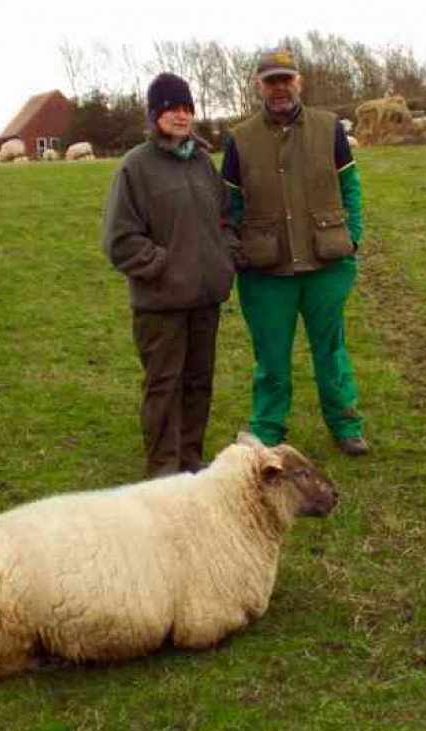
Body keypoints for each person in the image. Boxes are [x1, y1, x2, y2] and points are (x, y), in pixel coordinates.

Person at [221, 48, 370, 456]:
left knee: (331, 350)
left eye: (286, 79)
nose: (280, 87)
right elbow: (229, 206)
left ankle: (345, 423)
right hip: (265, 272)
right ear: (259, 86)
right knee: (271, 357)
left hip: (327, 264)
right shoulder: (239, 139)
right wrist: (237, 251)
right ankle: (267, 429)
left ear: (299, 81)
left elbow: (351, 188)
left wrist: (352, 236)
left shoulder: (329, 129)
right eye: (271, 80)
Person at [103, 73, 238, 478]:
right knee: (164, 387)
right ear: (155, 114)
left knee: (199, 383)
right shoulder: (136, 167)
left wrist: (223, 257)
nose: (181, 115)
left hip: (205, 298)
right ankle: (163, 470)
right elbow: (120, 240)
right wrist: (162, 267)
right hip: (160, 305)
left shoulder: (202, 162)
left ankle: (190, 461)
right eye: (171, 108)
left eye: (186, 108)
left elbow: (226, 217)